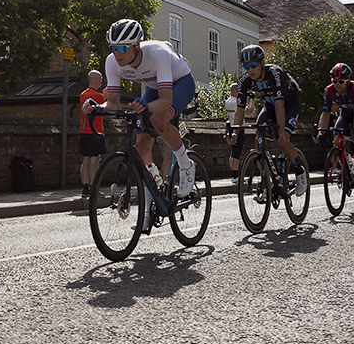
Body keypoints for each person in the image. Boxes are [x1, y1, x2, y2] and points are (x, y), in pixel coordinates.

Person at [82, 19, 197, 231]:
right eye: (114, 48)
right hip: (155, 86)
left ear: (137, 46)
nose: (118, 53)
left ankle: (186, 164)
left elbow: (166, 101)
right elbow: (114, 103)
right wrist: (97, 107)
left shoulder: (158, 53)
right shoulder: (112, 62)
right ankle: (149, 204)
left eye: (123, 48)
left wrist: (146, 106)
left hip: (180, 81)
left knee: (159, 120)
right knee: (142, 145)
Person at [229, 45, 308, 196]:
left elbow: (280, 105)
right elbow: (239, 110)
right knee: (259, 138)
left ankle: (299, 170)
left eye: (253, 65)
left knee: (281, 140)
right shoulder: (244, 81)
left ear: (262, 63)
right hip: (270, 106)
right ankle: (266, 180)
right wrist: (235, 132)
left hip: (290, 105)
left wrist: (281, 132)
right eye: (246, 66)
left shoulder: (275, 73)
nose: (250, 69)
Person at [315, 63, 354, 186]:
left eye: (341, 82)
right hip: (345, 113)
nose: (337, 85)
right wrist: (321, 131)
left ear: (348, 81)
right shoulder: (328, 90)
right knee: (336, 138)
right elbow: (325, 113)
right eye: (334, 81)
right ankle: (346, 163)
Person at [78, 70, 107, 198]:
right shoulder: (98, 96)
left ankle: (85, 187)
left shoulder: (82, 94)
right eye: (100, 79)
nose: (101, 81)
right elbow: (103, 106)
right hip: (96, 131)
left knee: (86, 159)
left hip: (84, 131)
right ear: (95, 80)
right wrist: (105, 95)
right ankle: (94, 187)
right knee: (95, 159)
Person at [225, 83, 253, 184]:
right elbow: (250, 111)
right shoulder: (237, 102)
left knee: (233, 152)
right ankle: (236, 176)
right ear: (236, 91)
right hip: (238, 128)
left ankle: (233, 175)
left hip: (230, 127)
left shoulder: (227, 101)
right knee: (237, 153)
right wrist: (251, 100)